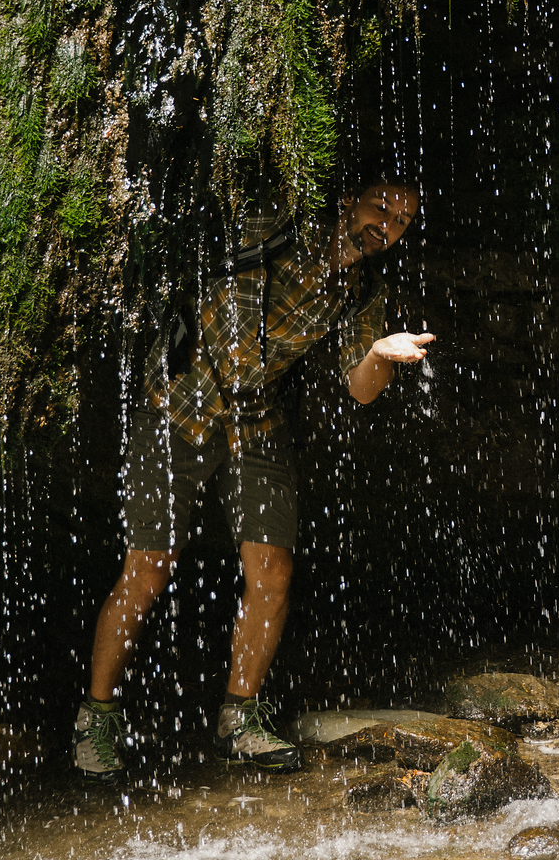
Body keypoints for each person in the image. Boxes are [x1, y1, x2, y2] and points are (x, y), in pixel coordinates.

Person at [72, 175, 434, 782]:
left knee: (273, 570)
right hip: (181, 407)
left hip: (255, 421)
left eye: (400, 222)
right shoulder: (279, 225)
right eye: (382, 206)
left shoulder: (367, 289)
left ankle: (238, 720)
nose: (386, 224)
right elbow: (227, 321)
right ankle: (96, 719)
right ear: (349, 198)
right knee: (148, 569)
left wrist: (380, 353)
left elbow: (361, 390)